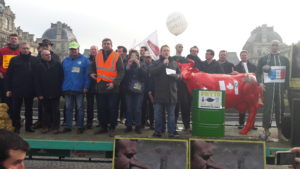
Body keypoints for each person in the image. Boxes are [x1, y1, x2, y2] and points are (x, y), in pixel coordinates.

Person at [90, 38, 124, 137]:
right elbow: (92, 66)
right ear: (102, 45)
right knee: (101, 108)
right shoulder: (98, 55)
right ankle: (103, 127)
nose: (106, 45)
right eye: (104, 43)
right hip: (101, 86)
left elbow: (121, 72)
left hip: (113, 87)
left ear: (111, 45)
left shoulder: (116, 56)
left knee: (112, 108)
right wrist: (91, 73)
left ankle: (112, 127)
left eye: (108, 44)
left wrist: (114, 83)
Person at [256, 40, 290, 141]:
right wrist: (260, 83)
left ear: (279, 46)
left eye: (276, 45)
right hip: (268, 88)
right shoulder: (263, 59)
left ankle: (280, 133)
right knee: (267, 109)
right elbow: (258, 72)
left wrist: (286, 88)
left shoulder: (284, 59)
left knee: (280, 110)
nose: (275, 47)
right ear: (270, 46)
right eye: (273, 45)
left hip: (280, 88)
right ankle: (266, 132)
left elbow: (287, 75)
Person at [6, 42, 39, 134]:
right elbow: (9, 75)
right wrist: (8, 89)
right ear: (20, 49)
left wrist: (37, 91)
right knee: (16, 109)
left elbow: (37, 76)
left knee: (29, 109)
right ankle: (16, 126)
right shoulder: (14, 60)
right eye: (24, 48)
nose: (26, 50)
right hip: (17, 88)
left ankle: (29, 126)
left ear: (30, 50)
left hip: (30, 89)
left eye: (27, 48)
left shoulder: (34, 60)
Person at [150, 45, 181, 138]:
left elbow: (180, 74)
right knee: (158, 115)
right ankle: (158, 132)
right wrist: (162, 65)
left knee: (171, 115)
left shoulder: (174, 63)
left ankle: (171, 133)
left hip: (171, 93)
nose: (166, 52)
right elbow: (151, 72)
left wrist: (177, 76)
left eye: (168, 50)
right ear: (161, 52)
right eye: (164, 50)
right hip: (159, 93)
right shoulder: (156, 62)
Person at [62, 41, 90, 134]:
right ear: (69, 50)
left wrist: (86, 86)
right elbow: (62, 75)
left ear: (78, 49)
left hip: (79, 88)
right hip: (67, 88)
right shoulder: (65, 60)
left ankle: (80, 126)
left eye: (75, 49)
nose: (73, 51)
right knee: (68, 108)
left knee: (80, 108)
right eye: (71, 49)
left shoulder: (85, 60)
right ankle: (68, 126)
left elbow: (87, 75)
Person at [33, 39, 61, 129]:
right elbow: (36, 79)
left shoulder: (56, 58)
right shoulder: (37, 59)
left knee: (55, 109)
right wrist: (39, 93)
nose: (45, 46)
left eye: (47, 45)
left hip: (54, 89)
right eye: (44, 45)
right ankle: (44, 123)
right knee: (43, 109)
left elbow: (60, 76)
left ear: (50, 46)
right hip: (43, 90)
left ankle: (54, 125)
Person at [123, 50, 146, 134]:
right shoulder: (126, 63)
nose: (134, 57)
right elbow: (123, 75)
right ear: (129, 56)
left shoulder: (142, 64)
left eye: (135, 55)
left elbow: (145, 75)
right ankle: (128, 125)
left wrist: (139, 65)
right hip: (128, 90)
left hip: (139, 90)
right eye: (132, 55)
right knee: (129, 109)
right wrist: (128, 66)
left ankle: (138, 126)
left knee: (137, 109)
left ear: (138, 56)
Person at [233, 50, 257, 129]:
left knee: (252, 107)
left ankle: (252, 124)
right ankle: (241, 123)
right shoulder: (236, 67)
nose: (244, 56)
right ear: (240, 57)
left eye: (245, 55)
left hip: (252, 89)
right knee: (242, 106)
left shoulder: (253, 66)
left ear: (248, 56)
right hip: (242, 89)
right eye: (242, 55)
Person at [0, 34, 19, 123]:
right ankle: (4, 118)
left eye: (15, 39)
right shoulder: (2, 51)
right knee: (4, 99)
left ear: (18, 40)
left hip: (16, 79)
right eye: (12, 39)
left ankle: (14, 119)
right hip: (4, 77)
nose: (13, 40)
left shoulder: (20, 51)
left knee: (16, 99)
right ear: (9, 40)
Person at [172, 44, 191, 132]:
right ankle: (173, 124)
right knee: (174, 106)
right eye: (179, 46)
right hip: (173, 85)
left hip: (183, 85)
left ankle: (186, 125)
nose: (180, 48)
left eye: (182, 47)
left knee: (185, 106)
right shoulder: (171, 58)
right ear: (175, 47)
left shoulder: (185, 59)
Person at [85, 45, 98, 129]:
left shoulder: (101, 59)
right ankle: (89, 122)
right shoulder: (86, 60)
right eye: (92, 49)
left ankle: (101, 122)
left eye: (95, 49)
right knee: (89, 105)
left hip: (99, 85)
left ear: (97, 50)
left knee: (101, 105)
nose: (93, 51)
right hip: (89, 85)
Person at [141, 51, 154, 129]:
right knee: (142, 107)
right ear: (144, 58)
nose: (148, 59)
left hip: (152, 90)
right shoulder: (141, 65)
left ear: (151, 58)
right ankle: (142, 123)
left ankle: (152, 123)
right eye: (146, 57)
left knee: (152, 108)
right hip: (142, 90)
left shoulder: (154, 65)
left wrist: (151, 90)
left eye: (149, 57)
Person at [117, 46, 128, 124]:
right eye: (118, 51)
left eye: (121, 51)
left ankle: (122, 117)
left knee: (124, 103)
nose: (120, 53)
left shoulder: (128, 61)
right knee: (115, 103)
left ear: (125, 53)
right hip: (115, 84)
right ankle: (114, 118)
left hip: (124, 85)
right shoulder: (114, 60)